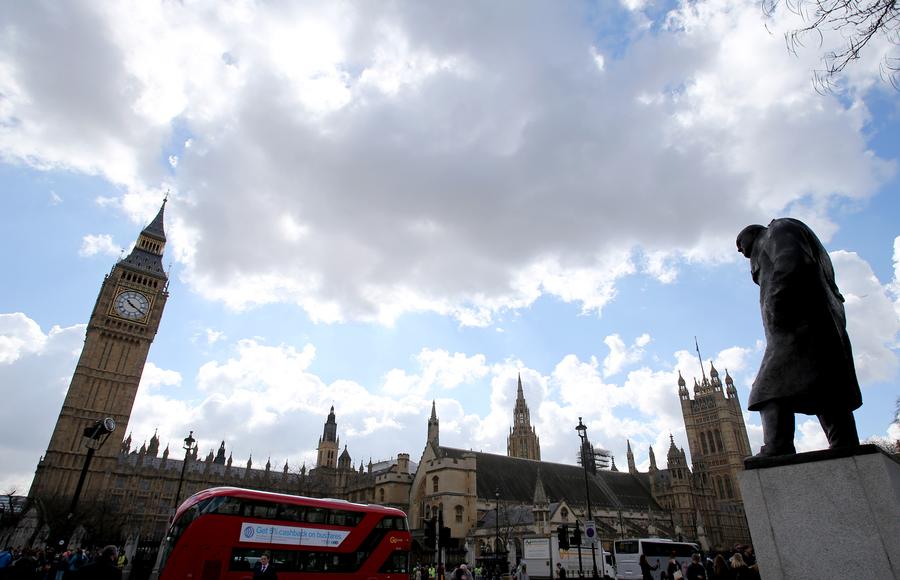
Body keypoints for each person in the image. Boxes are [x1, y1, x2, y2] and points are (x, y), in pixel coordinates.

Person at [736, 219, 862, 456]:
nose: (739, 250)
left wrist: (776, 302)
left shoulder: (778, 230)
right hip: (817, 325)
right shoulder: (790, 235)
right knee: (828, 389)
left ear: (752, 233)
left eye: (740, 243)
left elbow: (791, 261)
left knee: (767, 390)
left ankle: (777, 446)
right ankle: (845, 443)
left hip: (796, 325)